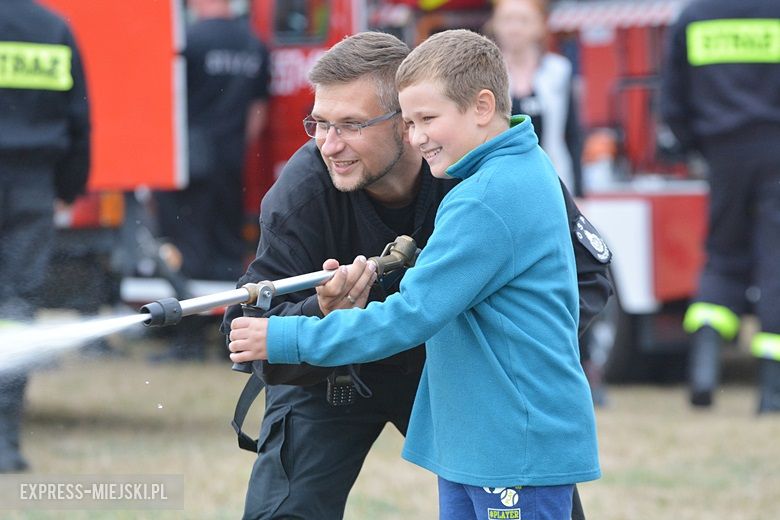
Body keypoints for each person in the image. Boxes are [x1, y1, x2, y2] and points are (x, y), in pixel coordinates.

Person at [226, 30, 604, 519]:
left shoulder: (493, 178)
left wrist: (501, 368)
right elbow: (249, 330)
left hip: (463, 383)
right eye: (318, 124)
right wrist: (316, 310)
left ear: (402, 123)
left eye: (350, 125)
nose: (328, 144)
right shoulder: (300, 192)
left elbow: (585, 279)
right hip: (332, 368)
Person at [660, 0, 780, 412]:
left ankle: (704, 370)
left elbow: (672, 98)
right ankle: (771, 393)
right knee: (775, 260)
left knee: (723, 255)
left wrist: (700, 147)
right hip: (776, 151)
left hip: (722, 154)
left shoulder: (694, 16)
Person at [0, 0, 91, 472]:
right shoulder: (51, 27)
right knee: (15, 310)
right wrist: (67, 187)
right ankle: (5, 442)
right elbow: (79, 120)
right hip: (31, 191)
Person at [152, 0, 270, 361]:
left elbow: (165, 102)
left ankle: (186, 340)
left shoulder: (187, 40)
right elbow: (257, 113)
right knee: (228, 250)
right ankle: (229, 336)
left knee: (188, 251)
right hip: (230, 164)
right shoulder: (254, 44)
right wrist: (232, 149)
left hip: (188, 165)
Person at [488, 0, 583, 196]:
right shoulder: (486, 73)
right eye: (507, 20)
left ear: (540, 26)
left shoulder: (558, 70)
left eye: (523, 21)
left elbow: (573, 133)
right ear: (495, 25)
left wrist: (581, 192)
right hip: (503, 181)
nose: (514, 29)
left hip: (553, 178)